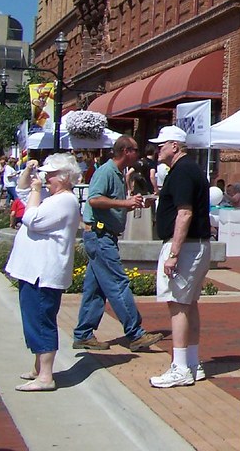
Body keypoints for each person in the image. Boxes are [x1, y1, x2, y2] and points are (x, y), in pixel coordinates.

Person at [73, 136, 164, 352]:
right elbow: (94, 199)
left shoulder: (118, 173)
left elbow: (108, 203)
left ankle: (83, 334)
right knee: (117, 282)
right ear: (125, 151)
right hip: (99, 236)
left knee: (95, 288)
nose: (138, 154)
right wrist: (125, 203)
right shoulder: (106, 171)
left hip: (103, 236)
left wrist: (130, 204)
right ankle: (135, 333)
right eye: (135, 150)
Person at [4, 154, 83, 392]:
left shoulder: (65, 201)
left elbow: (31, 218)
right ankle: (39, 368)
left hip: (43, 272)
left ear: (64, 178)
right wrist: (29, 173)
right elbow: (23, 193)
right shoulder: (53, 197)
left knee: (41, 320)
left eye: (50, 175)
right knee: (33, 319)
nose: (45, 179)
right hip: (32, 271)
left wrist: (37, 189)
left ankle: (46, 376)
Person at [149, 125, 213, 389]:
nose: (157, 149)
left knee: (178, 304)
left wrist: (174, 253)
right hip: (194, 246)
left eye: (161, 144)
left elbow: (184, 213)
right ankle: (191, 362)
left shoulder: (183, 172)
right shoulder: (188, 170)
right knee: (188, 304)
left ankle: (180, 367)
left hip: (186, 247)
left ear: (175, 146)